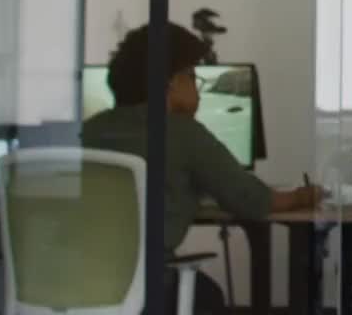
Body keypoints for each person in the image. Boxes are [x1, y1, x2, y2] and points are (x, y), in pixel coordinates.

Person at [82, 22, 321, 314]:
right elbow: (251, 198)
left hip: (73, 286)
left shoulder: (88, 130)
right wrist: (302, 196)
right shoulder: (182, 132)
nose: (198, 89)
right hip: (144, 291)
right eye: (193, 77)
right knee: (208, 296)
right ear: (171, 83)